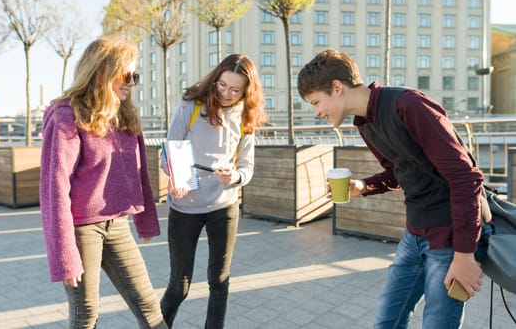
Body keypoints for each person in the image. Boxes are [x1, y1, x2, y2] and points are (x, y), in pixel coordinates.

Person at [297, 49, 484, 328]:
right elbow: (399, 171)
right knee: (387, 321)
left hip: (449, 238)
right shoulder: (364, 124)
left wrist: (465, 255)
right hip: (414, 233)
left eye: (316, 102)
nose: (317, 112)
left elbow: (465, 177)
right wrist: (363, 186)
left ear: (337, 88)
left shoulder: (408, 105)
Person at [39, 36, 168, 329]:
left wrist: (146, 221)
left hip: (118, 224)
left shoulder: (125, 117)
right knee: (86, 314)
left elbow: (139, 173)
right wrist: (64, 256)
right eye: (126, 75)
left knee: (148, 304)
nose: (131, 83)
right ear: (101, 71)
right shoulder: (67, 118)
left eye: (135, 76)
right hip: (81, 228)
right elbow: (55, 189)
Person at [159, 54, 266, 328]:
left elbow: (247, 167)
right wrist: (176, 177)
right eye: (221, 85)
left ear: (246, 91)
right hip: (186, 207)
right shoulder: (191, 105)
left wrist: (236, 176)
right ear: (215, 79)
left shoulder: (245, 115)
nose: (226, 94)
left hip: (224, 206)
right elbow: (167, 154)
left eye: (235, 90)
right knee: (179, 286)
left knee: (219, 282)